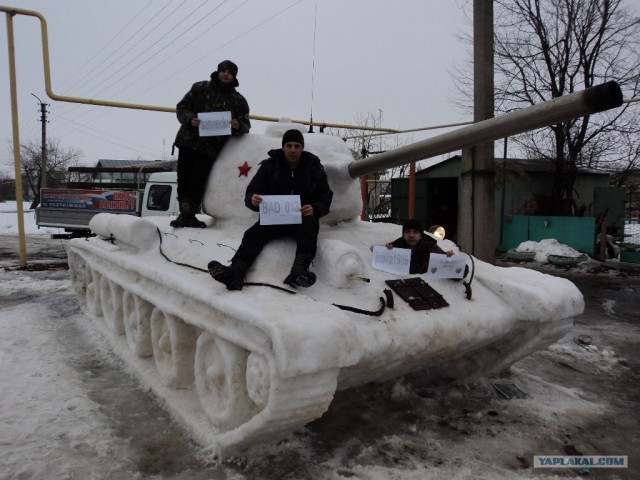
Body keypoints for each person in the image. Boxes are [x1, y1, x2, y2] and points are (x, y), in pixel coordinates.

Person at [208, 129, 334, 290]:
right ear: (283, 147)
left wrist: (315, 208)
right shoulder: (270, 166)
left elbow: (325, 195)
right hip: (274, 217)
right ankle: (235, 273)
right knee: (252, 235)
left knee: (310, 228)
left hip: (302, 218)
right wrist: (253, 200)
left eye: (297, 146)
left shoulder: (314, 167)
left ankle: (299, 271)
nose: (293, 150)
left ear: (302, 147)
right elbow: (251, 192)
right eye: (289, 146)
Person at [171, 60, 251, 228]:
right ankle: (184, 214)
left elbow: (246, 125)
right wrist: (189, 119)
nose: (225, 74)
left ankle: (189, 214)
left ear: (234, 76)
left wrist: (238, 125)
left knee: (198, 181)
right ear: (218, 71)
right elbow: (182, 107)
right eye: (223, 70)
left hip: (210, 148)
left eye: (229, 72)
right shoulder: (200, 88)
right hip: (188, 141)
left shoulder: (238, 100)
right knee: (183, 179)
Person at [386, 219, 453, 274]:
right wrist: (388, 249)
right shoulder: (395, 247)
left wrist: (449, 256)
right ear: (403, 235)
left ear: (421, 236)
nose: (411, 235)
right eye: (408, 232)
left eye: (415, 232)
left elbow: (446, 263)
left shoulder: (430, 247)